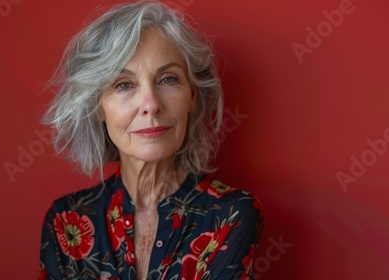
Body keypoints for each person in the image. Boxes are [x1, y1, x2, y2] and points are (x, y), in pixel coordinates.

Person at [39, 1, 264, 279]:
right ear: (97, 106)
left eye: (168, 79)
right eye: (123, 84)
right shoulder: (65, 222)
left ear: (192, 97)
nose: (151, 104)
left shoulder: (232, 214)